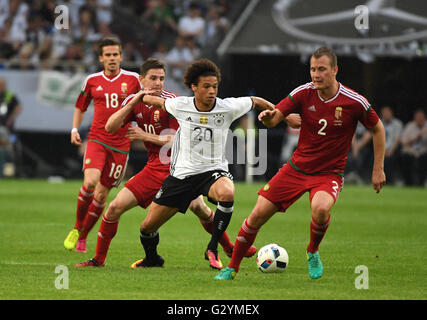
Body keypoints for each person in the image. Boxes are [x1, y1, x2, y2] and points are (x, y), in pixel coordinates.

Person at [215, 47, 386, 280]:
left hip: (329, 174)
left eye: (322, 69)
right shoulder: (304, 92)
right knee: (256, 215)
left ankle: (312, 251)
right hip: (296, 169)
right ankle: (231, 268)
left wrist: (378, 169)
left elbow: (377, 128)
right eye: (313, 69)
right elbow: (276, 116)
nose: (316, 74)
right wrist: (270, 118)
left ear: (335, 70)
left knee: (321, 209)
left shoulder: (354, 101)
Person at [113, 58, 300, 270]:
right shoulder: (180, 105)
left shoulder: (227, 107)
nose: (212, 91)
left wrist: (283, 116)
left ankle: (213, 247)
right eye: (206, 87)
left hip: (213, 172)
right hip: (182, 175)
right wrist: (139, 96)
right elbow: (155, 101)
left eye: (215, 86)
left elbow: (255, 101)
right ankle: (152, 259)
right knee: (147, 227)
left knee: (227, 193)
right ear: (194, 87)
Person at [75, 58, 249, 268]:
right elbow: (110, 127)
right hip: (152, 169)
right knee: (113, 208)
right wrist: (132, 102)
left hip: (179, 170)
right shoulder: (135, 101)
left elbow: (177, 139)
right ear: (141, 80)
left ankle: (228, 248)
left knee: (199, 208)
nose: (158, 83)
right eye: (153, 78)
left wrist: (144, 136)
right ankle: (99, 260)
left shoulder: (172, 103)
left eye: (162, 78)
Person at [64, 37, 141, 252]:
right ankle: (77, 226)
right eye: (107, 55)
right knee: (91, 182)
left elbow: (144, 102)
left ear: (121, 56)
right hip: (97, 139)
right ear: (101, 58)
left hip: (121, 145)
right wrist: (74, 129)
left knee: (101, 195)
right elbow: (81, 107)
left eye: (115, 54)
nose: (112, 58)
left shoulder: (134, 80)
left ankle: (83, 236)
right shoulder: (92, 80)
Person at [400, 109, 427, 186]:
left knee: (423, 159)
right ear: (414, 118)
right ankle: (408, 183)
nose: (420, 119)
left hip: (424, 152)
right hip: (411, 151)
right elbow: (403, 143)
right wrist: (416, 138)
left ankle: (421, 183)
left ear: (425, 118)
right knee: (405, 157)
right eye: (418, 117)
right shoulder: (409, 126)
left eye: (421, 117)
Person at [380, 106, 403, 184]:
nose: (386, 115)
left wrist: (391, 151)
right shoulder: (379, 123)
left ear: (391, 113)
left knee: (390, 160)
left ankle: (389, 181)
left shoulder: (398, 124)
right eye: (384, 113)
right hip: (381, 150)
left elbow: (397, 139)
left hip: (393, 149)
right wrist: (382, 151)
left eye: (387, 113)